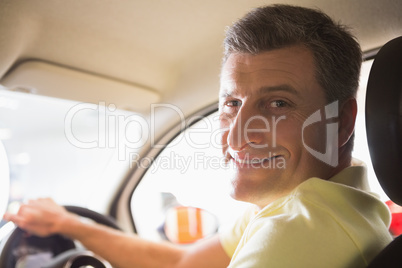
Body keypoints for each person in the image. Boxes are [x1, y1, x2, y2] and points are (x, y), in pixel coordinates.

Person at [3, 4, 393, 268]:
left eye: (277, 104)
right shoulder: (325, 199)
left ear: (341, 123)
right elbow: (183, 263)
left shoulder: (298, 233)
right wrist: (69, 225)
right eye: (232, 104)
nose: (238, 137)